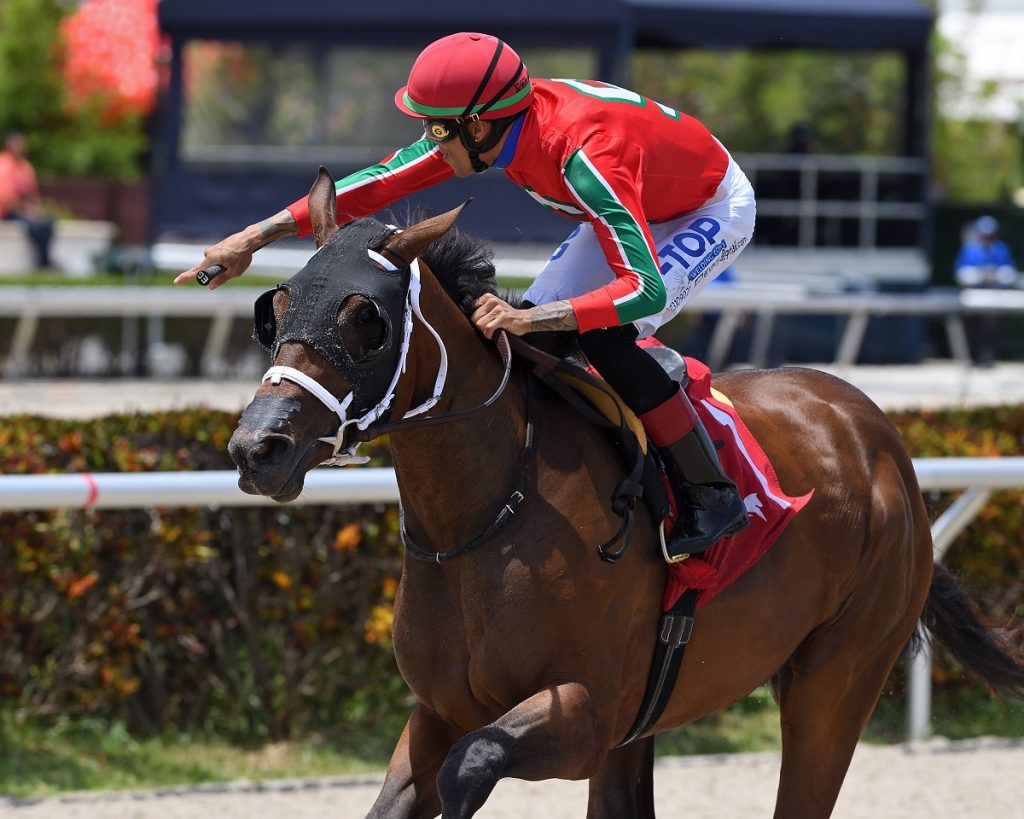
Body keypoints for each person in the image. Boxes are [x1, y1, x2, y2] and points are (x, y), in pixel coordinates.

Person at [176, 32, 756, 558]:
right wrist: (251, 237)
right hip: (636, 200)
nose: (428, 141)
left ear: (477, 125)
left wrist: (542, 318)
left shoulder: (584, 154)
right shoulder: (498, 128)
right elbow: (379, 181)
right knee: (529, 330)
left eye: (435, 127)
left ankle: (709, 490)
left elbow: (641, 287)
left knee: (598, 330)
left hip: (705, 208)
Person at [954, 215, 1019, 367]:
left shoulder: (1001, 248)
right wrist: (980, 275)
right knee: (971, 328)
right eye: (984, 234)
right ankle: (971, 357)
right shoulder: (969, 249)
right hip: (972, 296)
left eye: (990, 234)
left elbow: (1009, 273)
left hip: (994, 296)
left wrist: (996, 275)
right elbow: (961, 274)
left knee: (990, 328)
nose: (987, 237)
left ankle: (987, 358)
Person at [0, 131, 56, 271]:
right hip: (7, 211)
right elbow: (6, 197)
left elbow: (32, 194)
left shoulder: (25, 166)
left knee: (47, 223)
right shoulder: (4, 165)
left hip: (23, 211)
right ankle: (43, 263)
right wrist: (26, 212)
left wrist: (36, 210)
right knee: (34, 225)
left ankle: (45, 261)